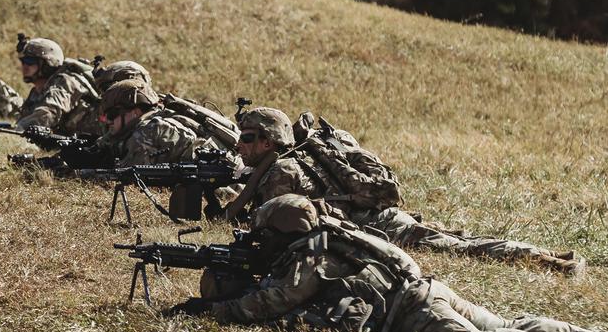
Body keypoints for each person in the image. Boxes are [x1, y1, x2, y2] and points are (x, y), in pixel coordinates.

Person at [172, 194, 606, 332]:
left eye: (263, 234)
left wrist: (216, 310)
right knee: (508, 323)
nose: (258, 240)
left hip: (411, 310)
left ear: (281, 233)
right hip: (428, 290)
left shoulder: (311, 254)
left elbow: (277, 299)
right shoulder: (335, 235)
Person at [227, 107, 585, 274]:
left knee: (460, 247)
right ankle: (548, 255)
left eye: (247, 137)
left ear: (269, 141)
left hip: (377, 224)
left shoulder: (281, 169)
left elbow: (273, 222)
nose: (241, 144)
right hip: (376, 216)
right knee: (457, 241)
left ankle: (549, 262)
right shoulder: (301, 156)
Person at [98, 79, 238, 166]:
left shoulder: (148, 131)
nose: (108, 120)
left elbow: (126, 174)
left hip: (228, 186)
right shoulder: (159, 116)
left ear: (136, 111)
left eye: (112, 114)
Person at [16, 35, 104, 137]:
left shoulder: (66, 82)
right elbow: (26, 117)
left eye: (30, 61)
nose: (24, 66)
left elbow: (48, 113)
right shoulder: (37, 91)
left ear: (47, 64)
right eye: (23, 61)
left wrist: (19, 130)